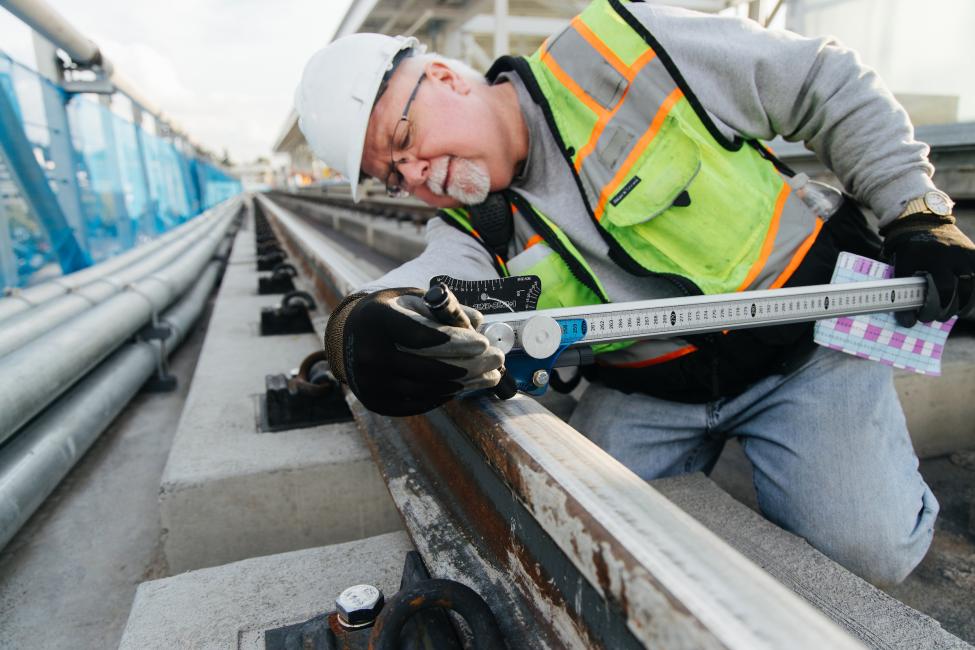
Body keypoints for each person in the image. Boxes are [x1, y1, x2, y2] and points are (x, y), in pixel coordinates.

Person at [294, 0, 974, 585]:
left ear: (443, 77)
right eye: (393, 175)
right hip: (652, 390)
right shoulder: (477, 224)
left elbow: (819, 82)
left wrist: (914, 209)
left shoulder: (617, 51)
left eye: (403, 140)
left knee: (868, 552)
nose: (416, 176)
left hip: (805, 349)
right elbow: (425, 285)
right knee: (563, 535)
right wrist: (360, 328)